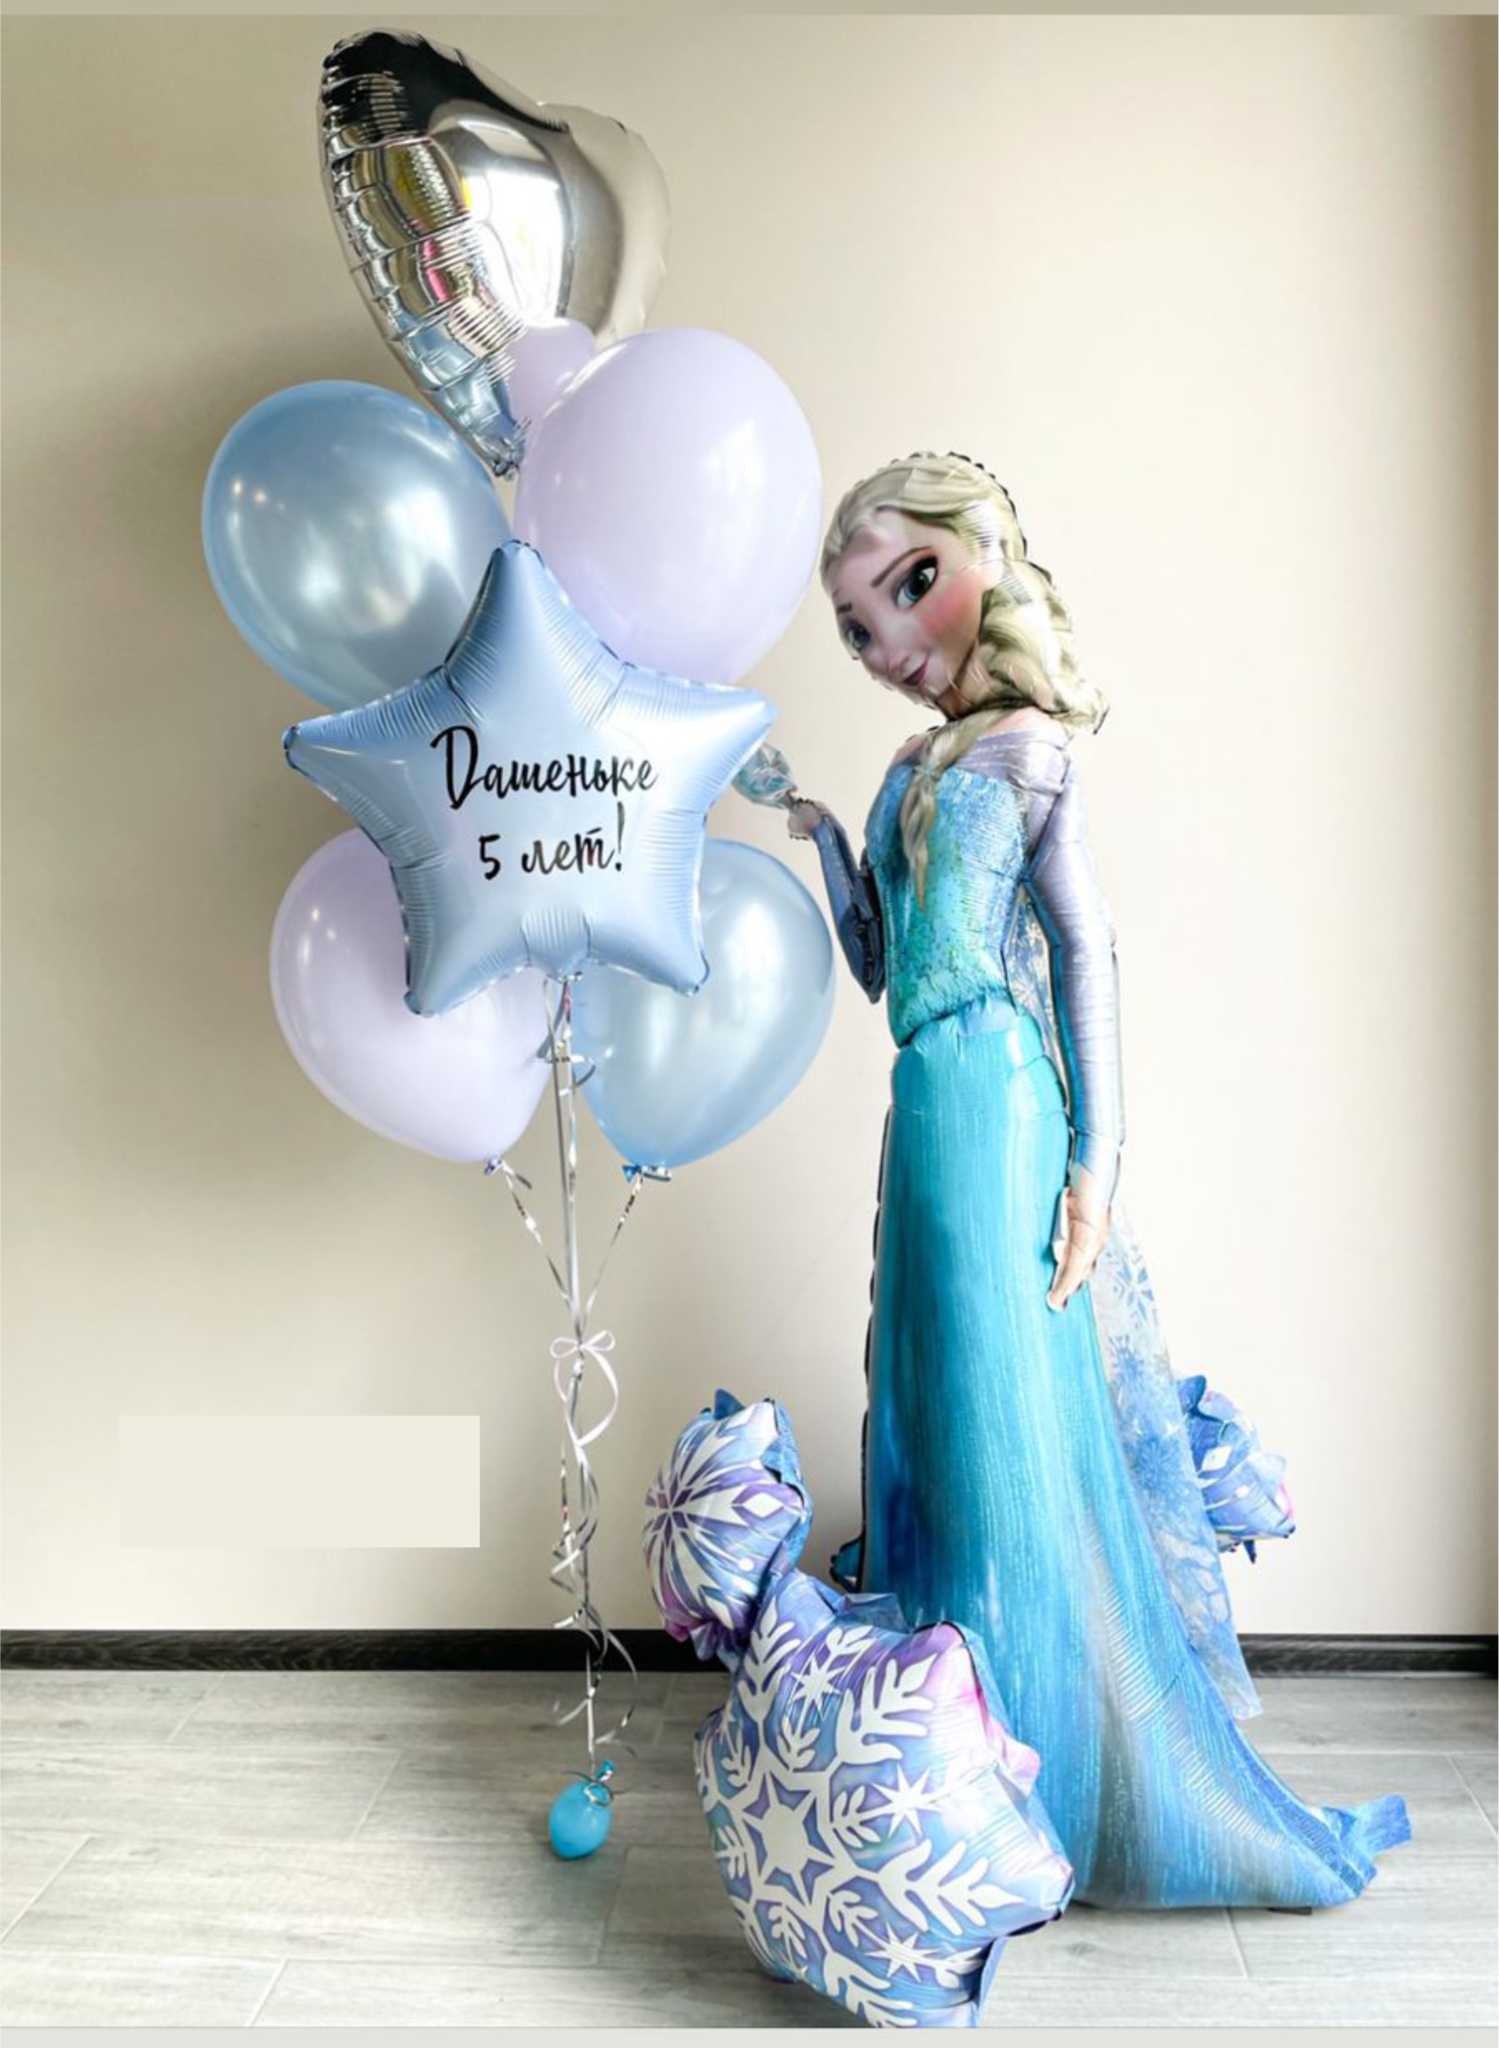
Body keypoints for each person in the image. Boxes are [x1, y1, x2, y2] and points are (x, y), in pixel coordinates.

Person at [781, 451, 1409, 1909]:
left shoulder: (1026, 749)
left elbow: (1084, 952)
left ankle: (1051, 1785)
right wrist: (821, 839)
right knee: (942, 1419)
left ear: (984, 557)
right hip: (925, 1099)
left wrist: (1094, 1167)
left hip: (1001, 1100)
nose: (888, 639)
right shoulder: (907, 772)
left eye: (911, 584)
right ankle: (966, 1783)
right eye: (858, 625)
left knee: (1005, 1425)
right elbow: (880, 968)